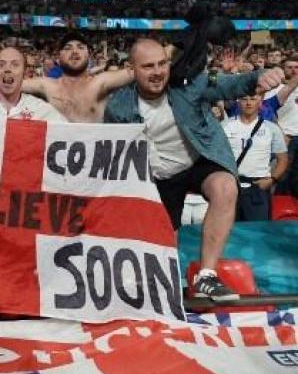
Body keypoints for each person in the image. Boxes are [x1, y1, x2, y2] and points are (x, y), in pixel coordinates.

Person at [104, 38, 283, 301]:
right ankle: (161, 288)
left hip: (198, 161)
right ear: (131, 69)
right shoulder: (118, 106)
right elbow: (115, 153)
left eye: (162, 63)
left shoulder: (188, 86)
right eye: (148, 66)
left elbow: (228, 84)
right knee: (165, 247)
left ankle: (207, 276)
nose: (157, 72)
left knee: (225, 186)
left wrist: (260, 76)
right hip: (158, 176)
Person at [0, 31, 133, 123]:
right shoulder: (46, 85)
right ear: (58, 56)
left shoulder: (101, 82)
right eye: (68, 48)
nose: (74, 51)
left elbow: (140, 71)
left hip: (93, 165)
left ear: (88, 54)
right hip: (55, 167)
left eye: (80, 47)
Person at [223, 93, 288, 222]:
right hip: (231, 186)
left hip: (258, 188)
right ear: (238, 102)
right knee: (229, 233)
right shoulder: (225, 126)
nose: (248, 103)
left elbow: (283, 159)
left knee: (257, 232)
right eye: (244, 99)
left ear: (260, 102)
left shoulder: (272, 128)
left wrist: (272, 180)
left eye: (253, 99)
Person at [276, 56, 298, 196]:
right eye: (289, 67)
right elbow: (269, 114)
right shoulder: (276, 89)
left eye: (296, 67)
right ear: (283, 70)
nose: (294, 70)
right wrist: (279, 134)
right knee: (283, 176)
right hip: (286, 138)